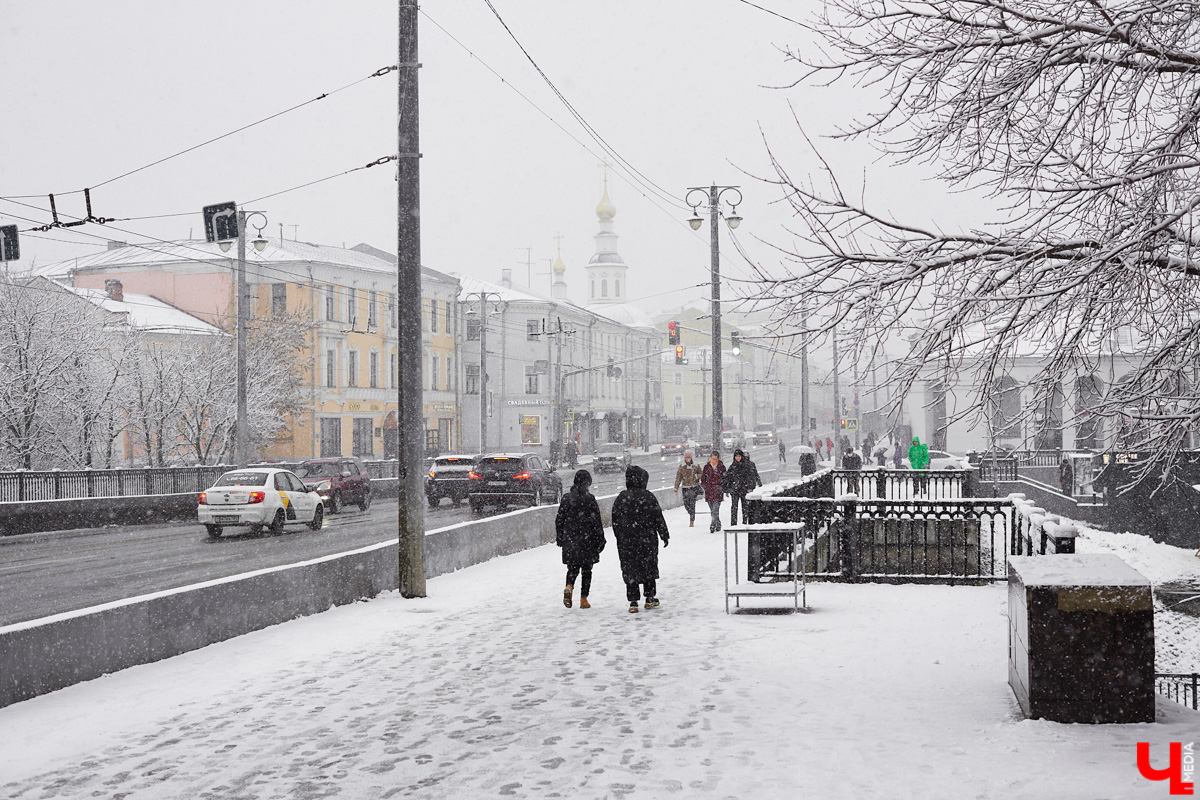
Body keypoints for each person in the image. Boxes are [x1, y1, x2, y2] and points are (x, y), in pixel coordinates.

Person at [611, 465, 670, 613]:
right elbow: (658, 517)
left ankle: (633, 601)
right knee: (648, 566)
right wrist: (664, 534)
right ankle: (649, 598)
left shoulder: (621, 498)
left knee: (630, 568)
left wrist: (620, 535)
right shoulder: (648, 496)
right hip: (647, 539)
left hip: (627, 541)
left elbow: (615, 520)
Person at [556, 470, 605, 609]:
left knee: (572, 568)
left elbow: (559, 519)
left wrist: (560, 536)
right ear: (587, 483)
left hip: (571, 540)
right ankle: (584, 599)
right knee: (587, 570)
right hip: (588, 540)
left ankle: (569, 586)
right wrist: (600, 539)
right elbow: (597, 522)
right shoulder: (590, 499)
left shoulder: (566, 498)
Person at [723, 448, 762, 526]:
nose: (737, 458)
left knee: (745, 507)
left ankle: (744, 522)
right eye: (736, 456)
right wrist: (727, 489)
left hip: (744, 489)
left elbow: (751, 477)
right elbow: (728, 478)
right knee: (734, 507)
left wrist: (750, 487)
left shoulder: (746, 466)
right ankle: (733, 524)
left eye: (739, 456)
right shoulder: (732, 466)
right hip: (734, 490)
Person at [673, 449, 703, 527]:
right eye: (686, 457)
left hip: (694, 487)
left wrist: (697, 477)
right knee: (686, 503)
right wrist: (676, 487)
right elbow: (678, 477)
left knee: (692, 503)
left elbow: (701, 473)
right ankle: (691, 513)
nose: (687, 459)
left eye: (689, 457)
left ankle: (692, 520)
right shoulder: (682, 466)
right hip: (685, 487)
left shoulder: (696, 465)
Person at [701, 450, 727, 533]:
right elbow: (703, 479)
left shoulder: (721, 467)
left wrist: (722, 487)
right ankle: (718, 524)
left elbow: (725, 478)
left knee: (715, 510)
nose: (714, 460)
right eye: (713, 459)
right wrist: (705, 486)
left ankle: (712, 525)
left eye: (716, 459)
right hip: (709, 491)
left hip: (718, 491)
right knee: (713, 510)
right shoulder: (706, 467)